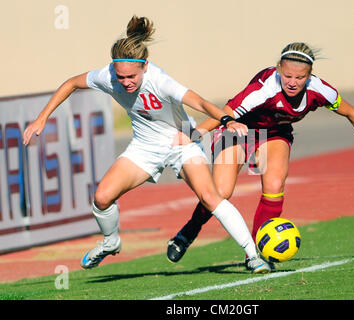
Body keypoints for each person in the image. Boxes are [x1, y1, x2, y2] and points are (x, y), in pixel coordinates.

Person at [23, 15, 271, 274]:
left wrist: (227, 120)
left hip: (181, 141)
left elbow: (199, 102)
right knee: (102, 198)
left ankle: (253, 256)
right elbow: (72, 83)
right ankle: (111, 242)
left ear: (145, 66)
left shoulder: (159, 80)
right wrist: (42, 118)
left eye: (132, 76)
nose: (126, 82)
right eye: (121, 77)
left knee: (210, 197)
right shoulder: (108, 76)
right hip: (144, 147)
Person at [167, 42, 354, 268]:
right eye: (288, 76)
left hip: (275, 133)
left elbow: (352, 113)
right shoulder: (263, 89)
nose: (292, 82)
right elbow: (224, 113)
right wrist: (194, 134)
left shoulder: (319, 90)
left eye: (300, 78)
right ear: (279, 68)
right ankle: (188, 232)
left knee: (275, 182)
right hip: (237, 129)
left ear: (309, 75)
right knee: (221, 192)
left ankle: (258, 253)